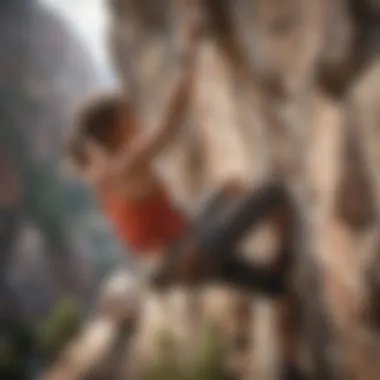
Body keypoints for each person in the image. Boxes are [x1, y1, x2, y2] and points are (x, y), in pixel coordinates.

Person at [65, 24, 293, 297]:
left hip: (177, 254)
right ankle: (283, 258)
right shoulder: (128, 164)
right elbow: (170, 121)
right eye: (129, 114)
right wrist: (190, 54)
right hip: (190, 253)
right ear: (117, 128)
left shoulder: (102, 177)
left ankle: (278, 291)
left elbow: (83, 156)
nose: (136, 117)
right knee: (274, 191)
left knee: (228, 189)